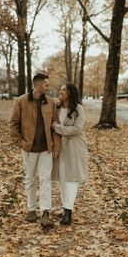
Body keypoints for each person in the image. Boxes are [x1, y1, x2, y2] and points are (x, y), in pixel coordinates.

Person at [9, 73, 60, 229]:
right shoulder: (21, 101)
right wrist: (21, 143)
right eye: (46, 85)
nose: (48, 87)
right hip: (29, 150)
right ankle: (31, 210)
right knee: (30, 179)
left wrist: (56, 147)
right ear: (38, 85)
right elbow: (13, 124)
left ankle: (45, 213)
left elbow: (55, 127)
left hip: (46, 150)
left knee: (45, 180)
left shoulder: (51, 103)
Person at [51, 83, 88, 225]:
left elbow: (77, 129)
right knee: (62, 178)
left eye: (64, 89)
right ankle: (65, 208)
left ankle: (68, 211)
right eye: (60, 89)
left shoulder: (78, 109)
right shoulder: (57, 107)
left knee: (71, 179)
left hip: (75, 147)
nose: (61, 91)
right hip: (60, 147)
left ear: (71, 93)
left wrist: (58, 128)